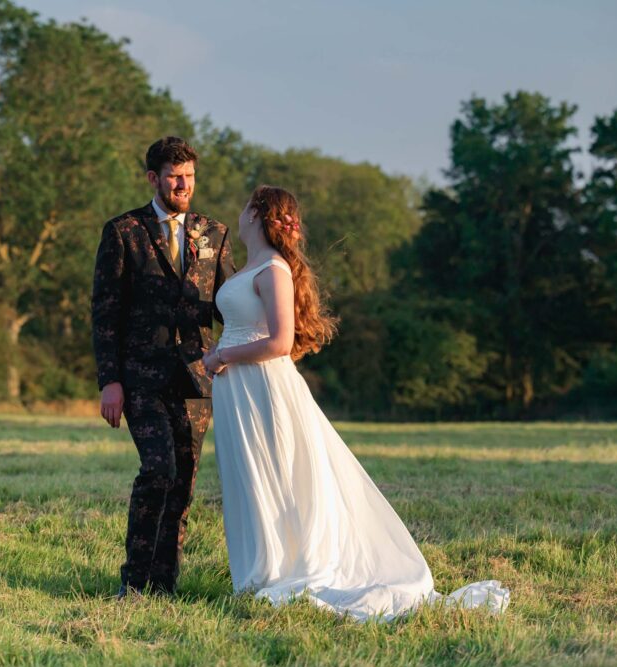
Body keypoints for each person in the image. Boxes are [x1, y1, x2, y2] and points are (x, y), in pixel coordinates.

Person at [201, 185, 509, 621]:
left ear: (255, 213)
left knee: (273, 473)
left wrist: (221, 356)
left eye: (245, 205)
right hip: (238, 389)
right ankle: (259, 569)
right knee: (249, 475)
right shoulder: (249, 268)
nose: (239, 212)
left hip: (262, 385)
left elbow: (281, 341)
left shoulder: (274, 270)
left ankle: (278, 571)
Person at [91, 136, 236, 598]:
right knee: (158, 470)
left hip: (198, 377)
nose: (183, 184)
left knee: (185, 479)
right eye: (175, 176)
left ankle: (164, 585)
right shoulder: (122, 232)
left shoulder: (215, 233)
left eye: (190, 176)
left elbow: (229, 306)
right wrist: (109, 381)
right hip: (140, 378)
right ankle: (133, 582)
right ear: (153, 178)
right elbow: (105, 312)